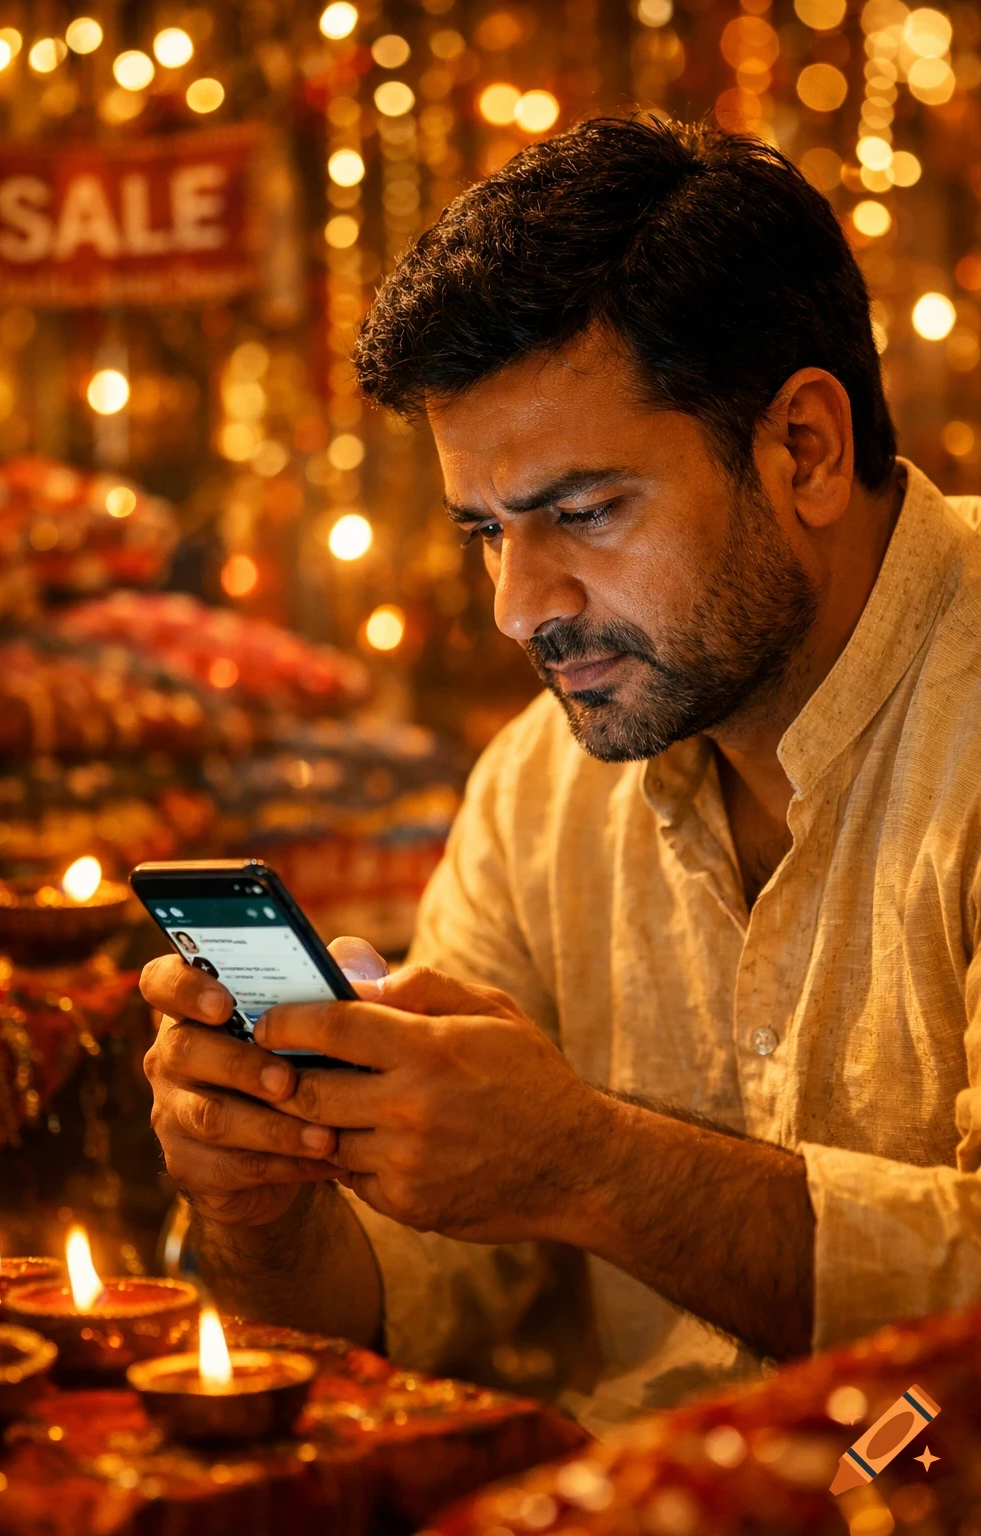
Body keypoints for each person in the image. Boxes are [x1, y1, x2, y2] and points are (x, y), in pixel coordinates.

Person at [140, 117, 981, 1435]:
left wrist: (587, 1166)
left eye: (585, 513)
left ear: (804, 449)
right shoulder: (543, 783)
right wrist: (261, 1195)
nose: (518, 609)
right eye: (485, 532)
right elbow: (407, 1301)